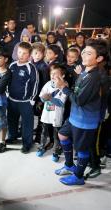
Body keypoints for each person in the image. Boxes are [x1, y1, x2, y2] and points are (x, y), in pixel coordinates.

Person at [54, 38, 108, 185]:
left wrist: (63, 87)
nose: (83, 55)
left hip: (84, 120)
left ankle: (78, 176)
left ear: (99, 58)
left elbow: (79, 100)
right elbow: (79, 92)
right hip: (75, 116)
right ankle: (70, 165)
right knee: (62, 135)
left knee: (81, 149)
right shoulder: (86, 71)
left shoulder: (94, 77)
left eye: (89, 53)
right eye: (84, 52)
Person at [7, 42, 39, 153]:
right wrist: (7, 93)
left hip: (25, 101)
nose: (21, 55)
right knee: (11, 120)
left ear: (29, 55)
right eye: (19, 52)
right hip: (11, 99)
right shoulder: (12, 65)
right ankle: (12, 137)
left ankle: (27, 144)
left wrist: (32, 100)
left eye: (24, 53)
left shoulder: (31, 68)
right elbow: (7, 80)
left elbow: (35, 84)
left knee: (27, 124)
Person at [36, 64, 68, 162]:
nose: (52, 76)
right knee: (44, 132)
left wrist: (49, 98)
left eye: (55, 74)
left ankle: (56, 151)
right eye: (51, 73)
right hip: (47, 113)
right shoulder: (48, 84)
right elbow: (42, 96)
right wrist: (43, 98)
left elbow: (61, 102)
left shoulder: (64, 86)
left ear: (62, 76)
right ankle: (41, 147)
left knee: (56, 134)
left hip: (56, 115)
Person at [31, 43, 49, 143]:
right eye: (35, 53)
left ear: (43, 54)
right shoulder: (32, 64)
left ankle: (39, 137)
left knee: (41, 118)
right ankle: (36, 132)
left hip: (40, 96)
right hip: (32, 95)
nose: (37, 55)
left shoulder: (44, 67)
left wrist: (41, 99)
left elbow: (45, 85)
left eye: (40, 53)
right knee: (34, 116)